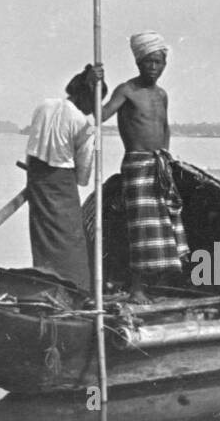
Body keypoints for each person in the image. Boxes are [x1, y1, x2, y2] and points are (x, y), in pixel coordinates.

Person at [101, 31, 188, 303]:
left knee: (164, 227)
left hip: (159, 164)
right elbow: (101, 115)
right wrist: (94, 88)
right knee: (141, 228)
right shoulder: (126, 90)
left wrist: (167, 159)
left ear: (164, 65)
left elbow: (164, 127)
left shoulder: (162, 95)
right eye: (148, 62)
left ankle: (154, 284)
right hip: (137, 165)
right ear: (138, 63)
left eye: (158, 62)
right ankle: (136, 289)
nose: (153, 67)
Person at [22, 66, 102, 294]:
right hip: (62, 180)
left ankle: (47, 285)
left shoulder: (44, 105)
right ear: (87, 96)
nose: (93, 109)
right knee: (71, 238)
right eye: (95, 102)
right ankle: (77, 289)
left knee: (43, 234)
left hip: (36, 177)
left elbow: (32, 148)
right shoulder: (87, 126)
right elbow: (84, 172)